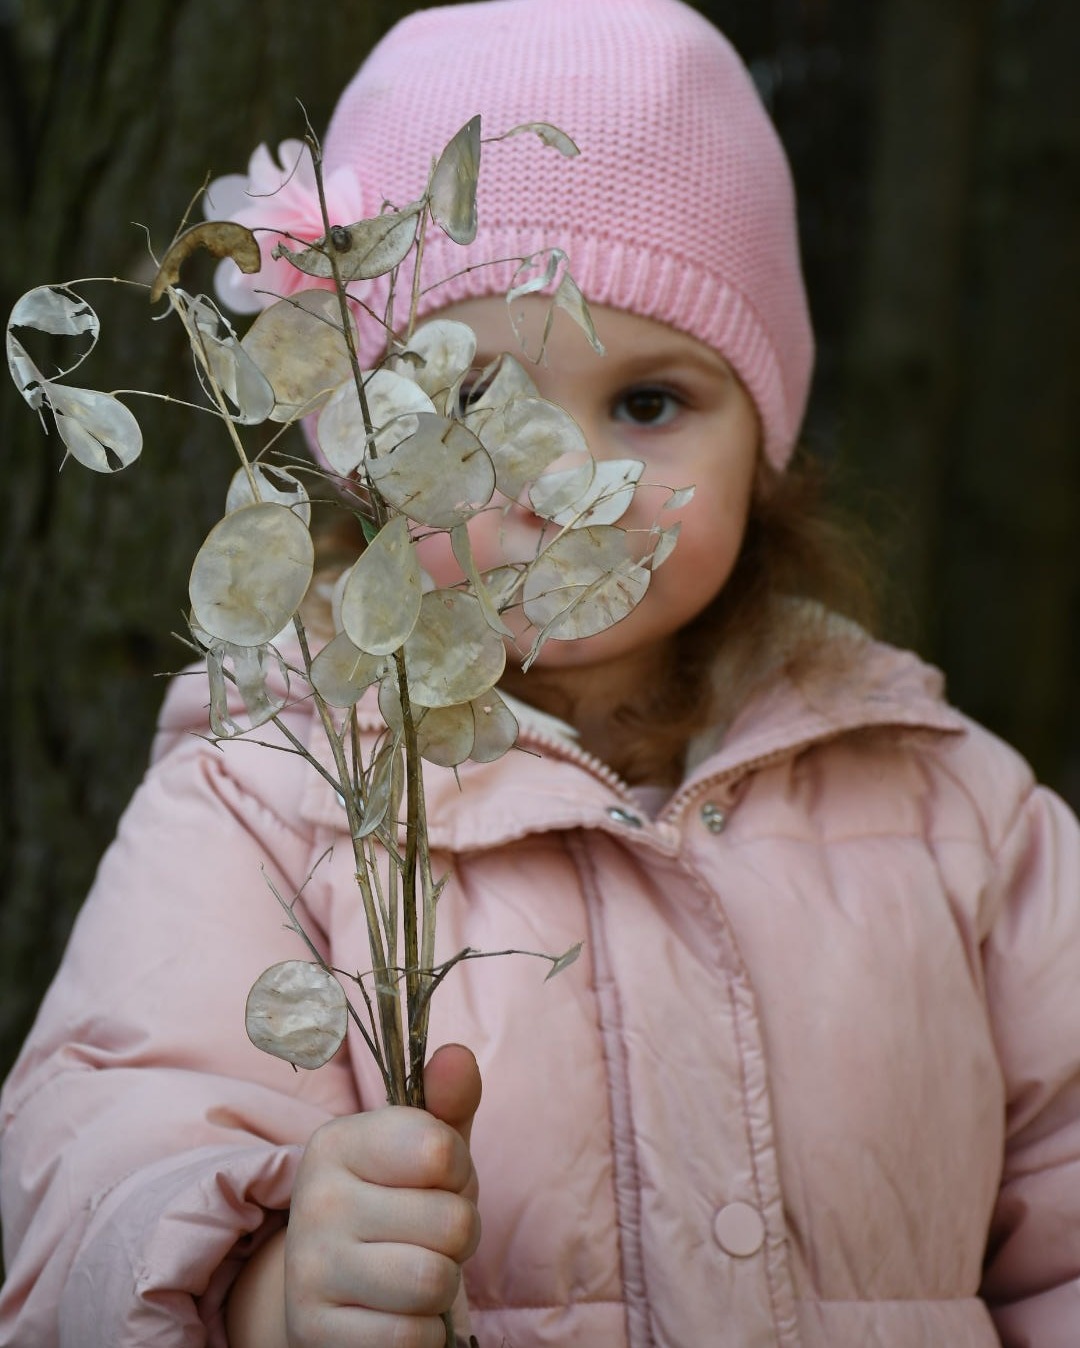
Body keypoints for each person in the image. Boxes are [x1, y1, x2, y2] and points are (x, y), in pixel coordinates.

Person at [2, 1, 1079, 1345]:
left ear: (768, 436)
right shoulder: (266, 802)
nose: (564, 483)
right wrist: (267, 1294)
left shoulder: (953, 811)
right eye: (463, 402)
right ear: (360, 440)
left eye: (648, 403)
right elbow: (99, 1153)